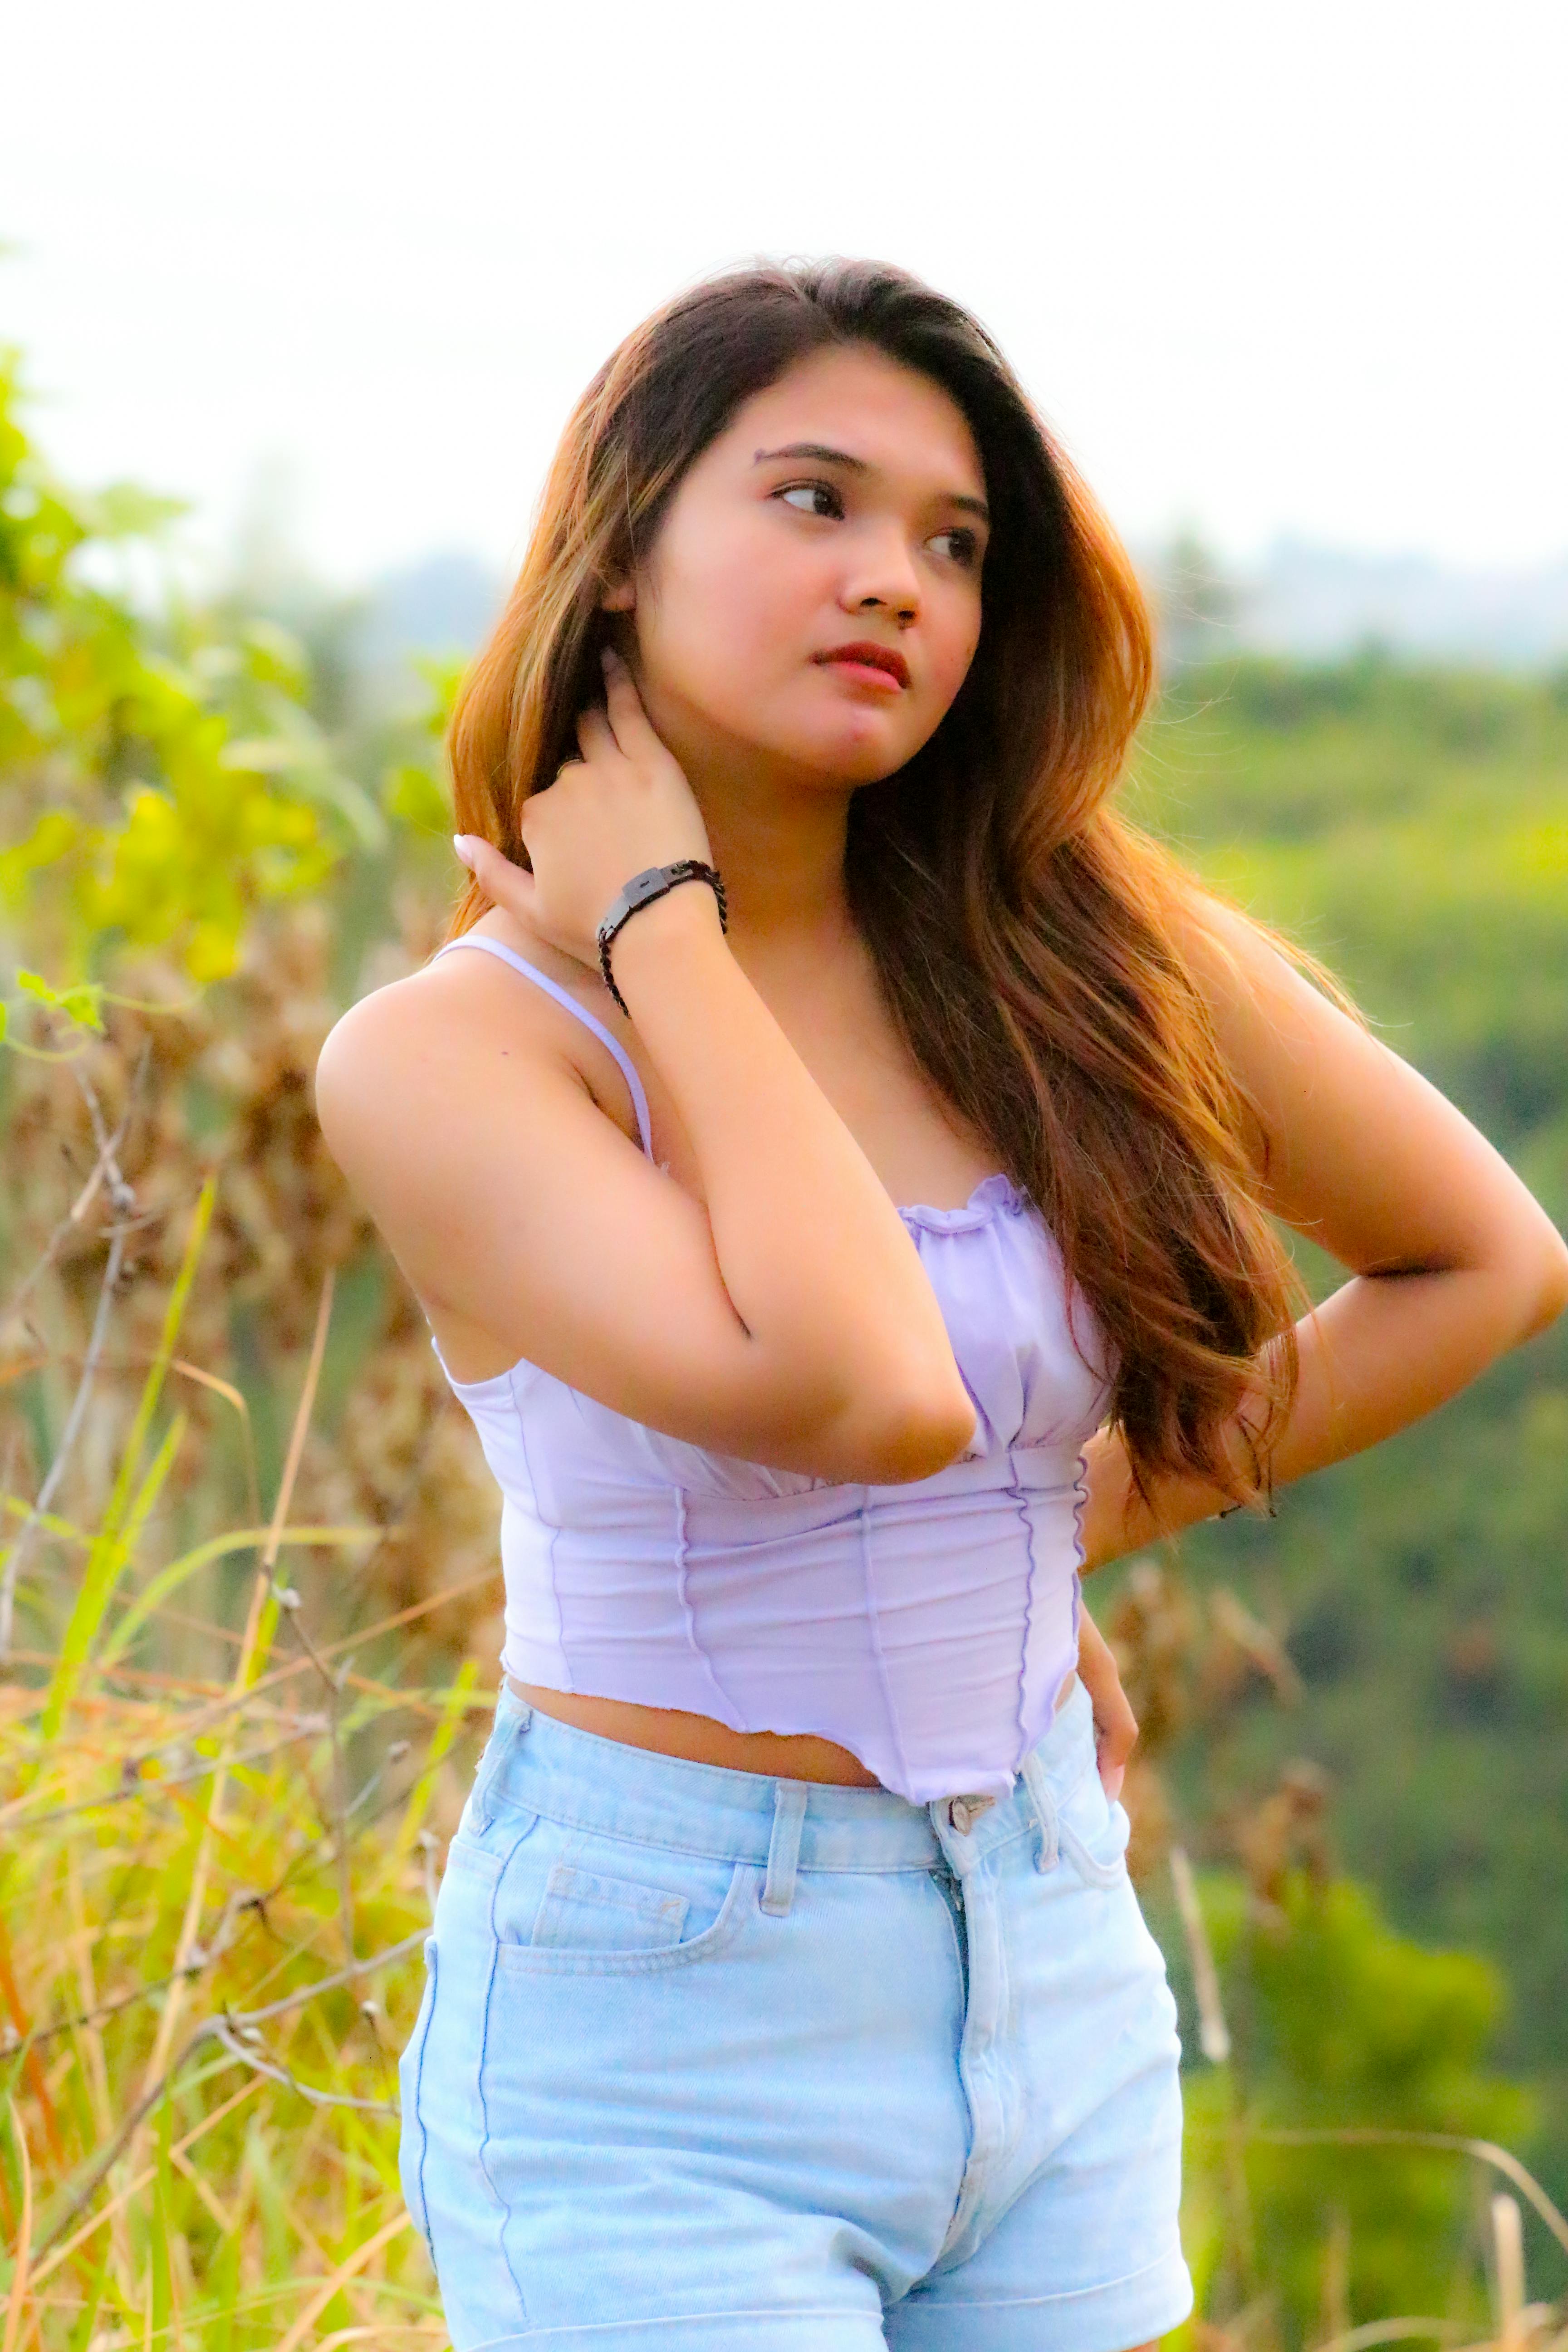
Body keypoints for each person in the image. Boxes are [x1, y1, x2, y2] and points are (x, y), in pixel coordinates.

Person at [314, 260, 1568, 2352]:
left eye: (957, 542)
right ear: (619, 553)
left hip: (1050, 1957)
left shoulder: (1070, 957)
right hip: (662, 2026)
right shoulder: (457, 1055)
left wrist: (1044, 1545)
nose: (895, 578)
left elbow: (1490, 1262)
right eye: (815, 501)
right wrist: (664, 932)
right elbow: (872, 1392)